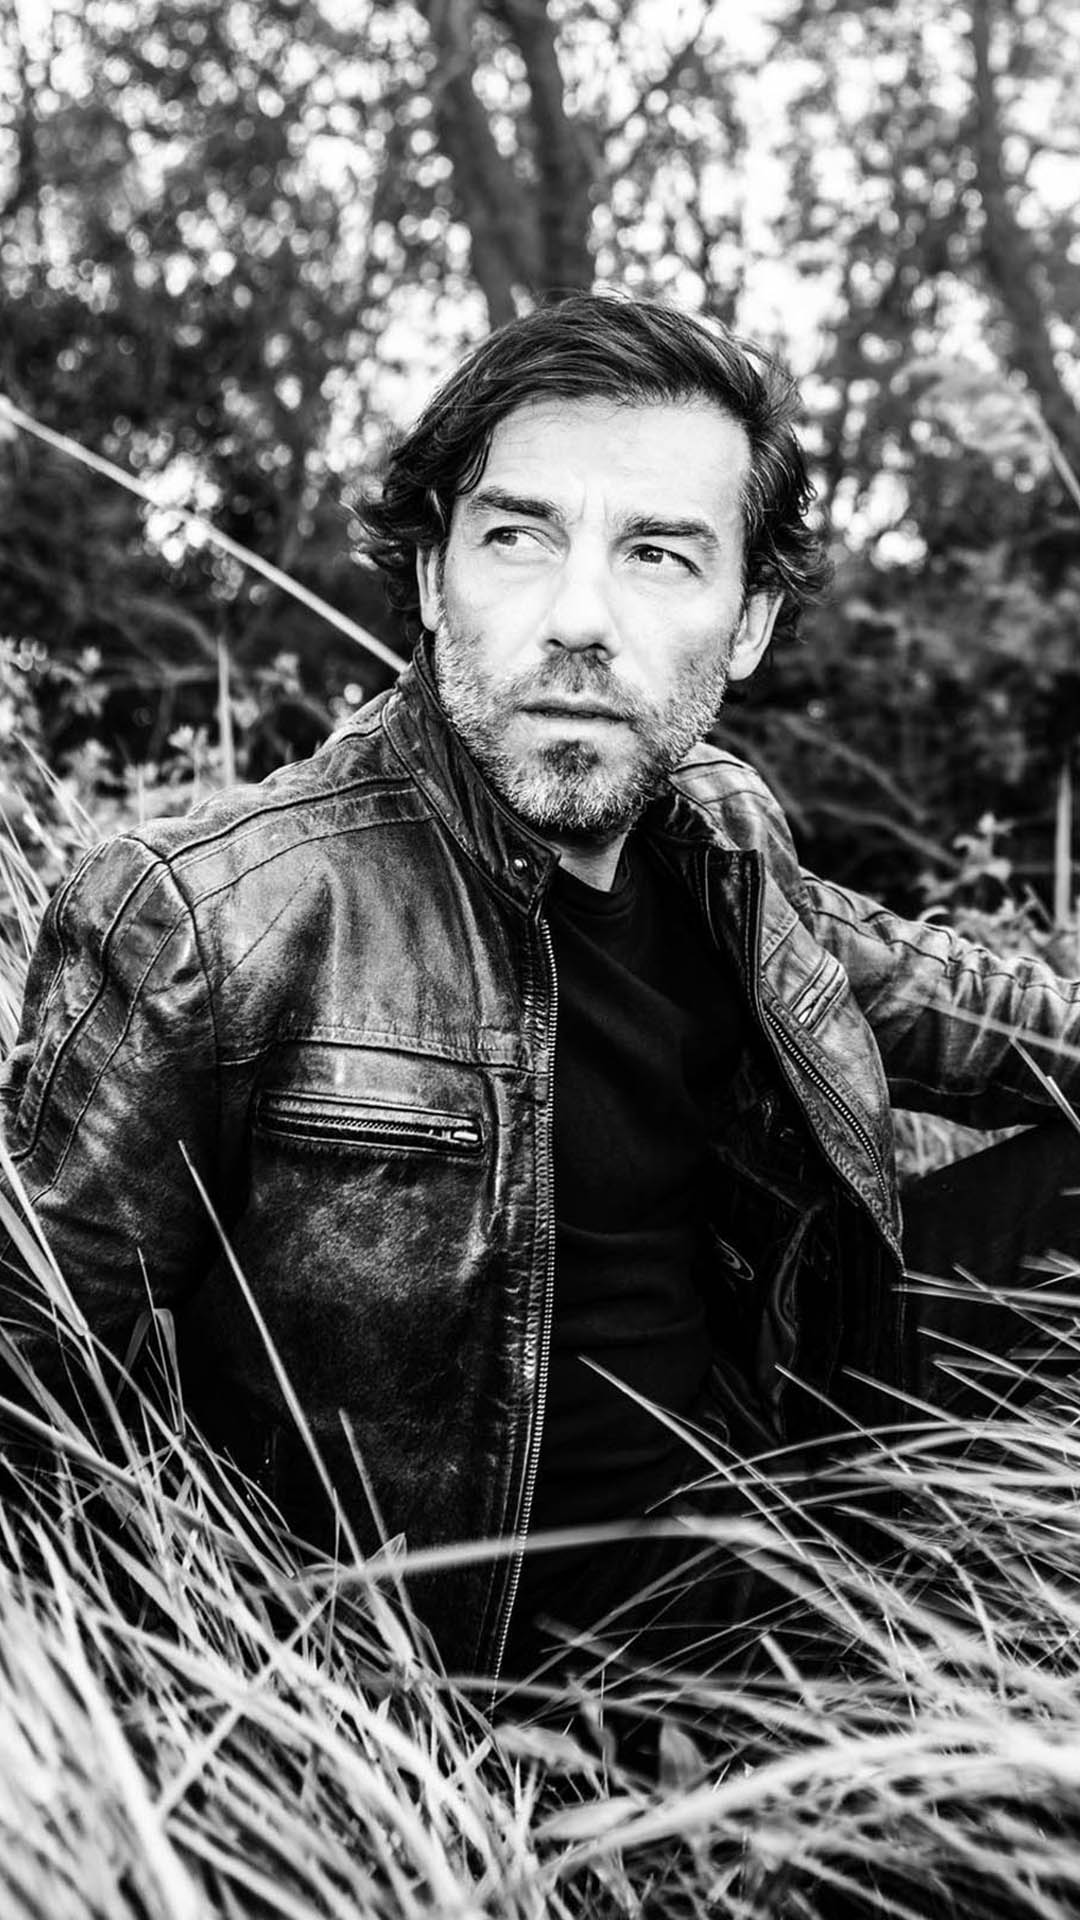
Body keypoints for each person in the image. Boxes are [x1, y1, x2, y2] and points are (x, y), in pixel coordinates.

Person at [2, 292, 1079, 1696]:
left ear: (749, 621)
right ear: (433, 574)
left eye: (659, 554)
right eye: (518, 536)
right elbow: (24, 1398)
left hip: (780, 1502)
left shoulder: (720, 838)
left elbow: (972, 1010)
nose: (578, 619)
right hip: (472, 1686)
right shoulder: (215, 916)